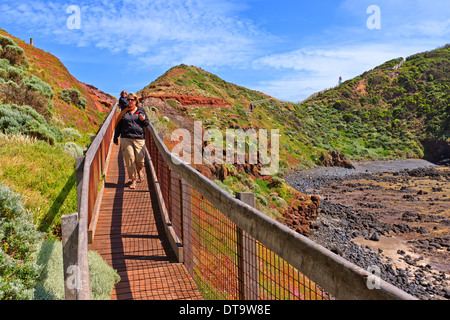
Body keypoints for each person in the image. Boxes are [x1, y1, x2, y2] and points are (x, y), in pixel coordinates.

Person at [114, 92, 150, 189]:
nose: (130, 101)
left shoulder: (140, 111)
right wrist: (115, 138)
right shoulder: (124, 112)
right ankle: (133, 180)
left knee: (140, 160)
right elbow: (118, 125)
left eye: (132, 100)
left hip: (139, 138)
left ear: (136, 101)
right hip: (126, 138)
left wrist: (144, 120)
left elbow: (147, 123)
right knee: (130, 159)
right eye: (128, 99)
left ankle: (139, 170)